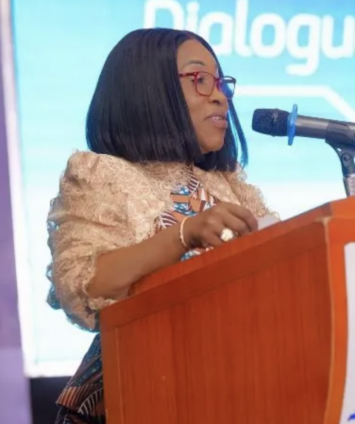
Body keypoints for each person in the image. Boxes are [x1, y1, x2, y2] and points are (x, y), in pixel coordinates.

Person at [45, 28, 274, 423]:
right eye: (200, 79)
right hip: (132, 395)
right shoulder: (102, 174)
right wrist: (183, 234)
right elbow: (83, 284)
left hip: (225, 392)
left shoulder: (230, 184)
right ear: (149, 91)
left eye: (220, 82)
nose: (220, 96)